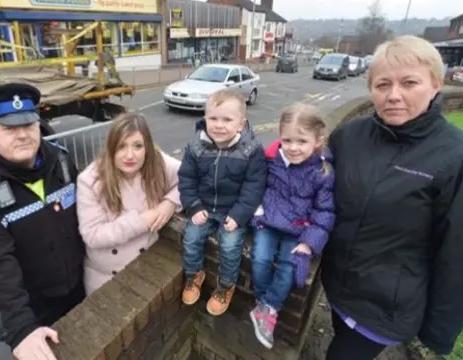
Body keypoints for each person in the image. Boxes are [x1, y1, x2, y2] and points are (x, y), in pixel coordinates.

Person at [320, 35, 463, 360]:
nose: (393, 95)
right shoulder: (349, 137)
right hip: (336, 288)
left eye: (409, 83)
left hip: (386, 308)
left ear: (436, 84)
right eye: (382, 85)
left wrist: (437, 333)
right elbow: (319, 195)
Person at [0, 83, 85, 360]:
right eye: (10, 129)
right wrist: (22, 329)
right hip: (34, 307)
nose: (23, 134)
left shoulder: (61, 160)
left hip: (81, 285)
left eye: (28, 125)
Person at [249, 103, 336, 349]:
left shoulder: (323, 172)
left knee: (288, 268)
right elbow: (258, 186)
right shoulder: (272, 160)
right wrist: (256, 211)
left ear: (318, 140)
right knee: (260, 260)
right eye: (287, 140)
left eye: (301, 141)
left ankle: (269, 308)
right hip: (268, 220)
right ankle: (262, 305)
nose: (293, 148)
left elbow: (325, 211)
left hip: (298, 228)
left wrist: (309, 243)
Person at [178, 89, 267, 316]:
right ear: (205, 118)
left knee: (229, 247)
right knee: (191, 238)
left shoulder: (251, 150)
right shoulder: (195, 147)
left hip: (232, 212)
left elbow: (253, 187)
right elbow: (187, 179)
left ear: (241, 124)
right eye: (213, 118)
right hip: (204, 207)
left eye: (227, 119)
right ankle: (194, 275)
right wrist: (194, 206)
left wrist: (238, 216)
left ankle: (226, 286)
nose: (219, 125)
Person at [76, 113, 182, 294]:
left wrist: (170, 202)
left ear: (147, 147)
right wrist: (141, 221)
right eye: (121, 146)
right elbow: (93, 235)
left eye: (138, 146)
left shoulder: (157, 162)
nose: (130, 155)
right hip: (106, 275)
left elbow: (192, 179)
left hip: (147, 265)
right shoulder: (90, 179)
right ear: (111, 148)